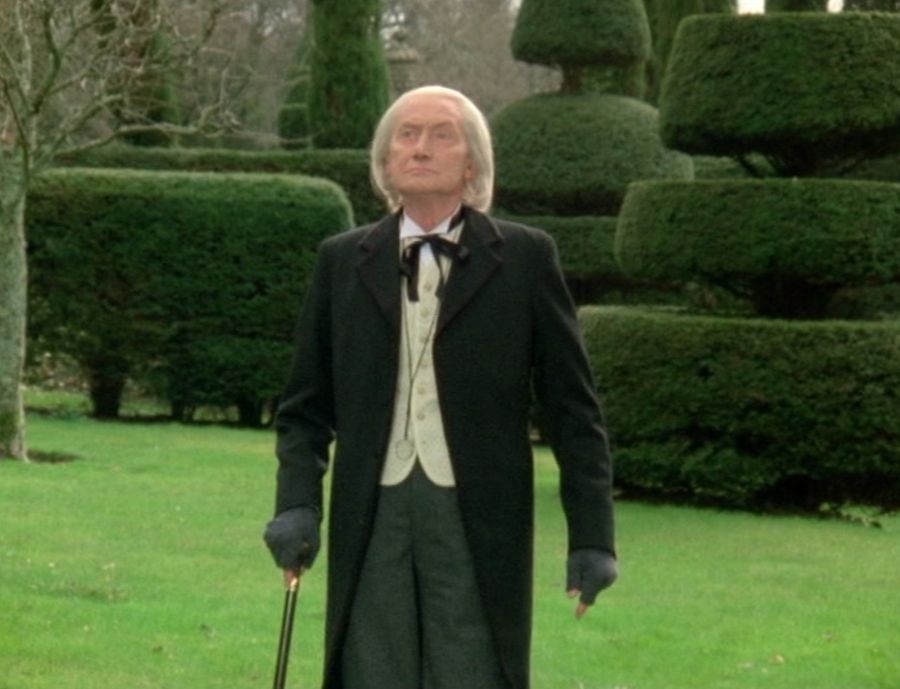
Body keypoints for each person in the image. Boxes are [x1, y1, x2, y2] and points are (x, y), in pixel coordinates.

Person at [264, 85, 617, 689]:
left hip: (478, 516)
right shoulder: (341, 261)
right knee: (371, 672)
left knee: (471, 672)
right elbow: (304, 409)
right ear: (386, 160)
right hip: (372, 511)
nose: (420, 147)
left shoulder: (526, 259)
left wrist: (593, 538)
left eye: (441, 134)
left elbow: (573, 411)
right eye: (407, 134)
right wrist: (297, 505)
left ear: (472, 162)